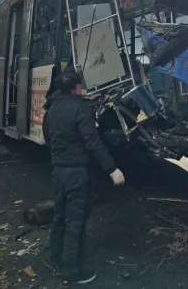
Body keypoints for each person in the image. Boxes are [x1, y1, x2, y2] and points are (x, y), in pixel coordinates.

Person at [43, 67, 125, 285]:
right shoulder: (81, 109)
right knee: (75, 223)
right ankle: (71, 272)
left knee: (59, 218)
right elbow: (92, 142)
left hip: (58, 172)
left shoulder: (53, 109)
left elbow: (49, 138)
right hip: (77, 173)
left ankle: (56, 260)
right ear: (75, 87)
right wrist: (112, 169)